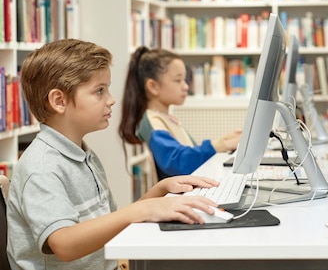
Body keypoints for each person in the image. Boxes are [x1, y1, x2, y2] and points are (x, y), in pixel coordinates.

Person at [7, 39, 223, 270]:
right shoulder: (41, 167)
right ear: (59, 101)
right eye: (99, 91)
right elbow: (65, 244)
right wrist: (140, 210)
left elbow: (109, 223)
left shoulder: (83, 155)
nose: (111, 99)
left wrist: (159, 191)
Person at [118, 46, 241, 180]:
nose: (186, 86)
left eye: (185, 80)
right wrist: (224, 145)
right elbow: (178, 161)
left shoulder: (164, 118)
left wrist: (224, 140)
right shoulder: (152, 121)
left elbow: (191, 151)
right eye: (178, 80)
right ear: (153, 86)